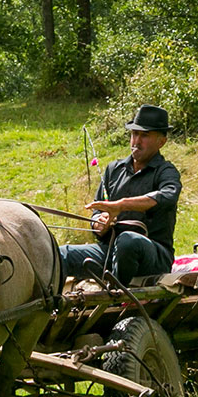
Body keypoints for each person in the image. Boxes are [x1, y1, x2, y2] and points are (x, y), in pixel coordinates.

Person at [60, 104, 181, 285]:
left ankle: (116, 295)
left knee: (128, 241)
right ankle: (53, 308)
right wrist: (99, 224)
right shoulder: (113, 170)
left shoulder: (166, 171)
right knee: (61, 254)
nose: (136, 141)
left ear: (161, 142)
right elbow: (97, 211)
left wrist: (122, 205)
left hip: (152, 256)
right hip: (110, 252)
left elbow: (168, 196)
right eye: (134, 134)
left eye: (145, 135)